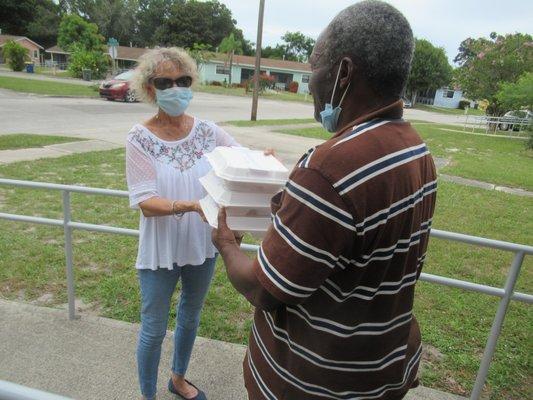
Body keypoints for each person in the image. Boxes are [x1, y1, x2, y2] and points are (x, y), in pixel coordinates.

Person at [212, 1, 437, 399]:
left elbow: (264, 290)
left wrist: (226, 244)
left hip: (315, 382)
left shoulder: (328, 168)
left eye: (314, 66)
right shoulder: (416, 150)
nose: (310, 81)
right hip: (378, 370)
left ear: (344, 73)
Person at [126, 47, 238, 400]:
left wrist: (260, 157)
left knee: (190, 316)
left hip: (201, 244)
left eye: (183, 80)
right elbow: (146, 202)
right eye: (165, 82)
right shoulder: (140, 138)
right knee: (154, 329)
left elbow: (238, 157)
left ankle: (177, 378)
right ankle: (148, 395)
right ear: (149, 89)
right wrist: (190, 205)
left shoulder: (208, 132)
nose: (176, 88)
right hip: (161, 248)